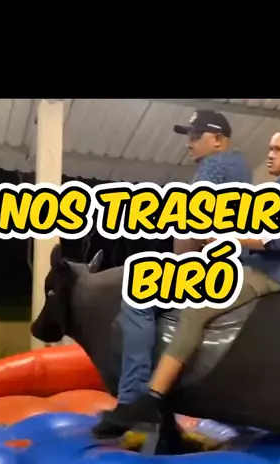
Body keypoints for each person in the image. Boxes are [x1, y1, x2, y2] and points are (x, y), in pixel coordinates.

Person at [92, 109, 252, 437]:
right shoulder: (240, 166)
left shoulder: (214, 165)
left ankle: (132, 400)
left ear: (217, 139)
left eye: (195, 136)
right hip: (231, 265)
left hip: (210, 270)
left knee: (137, 300)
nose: (188, 143)